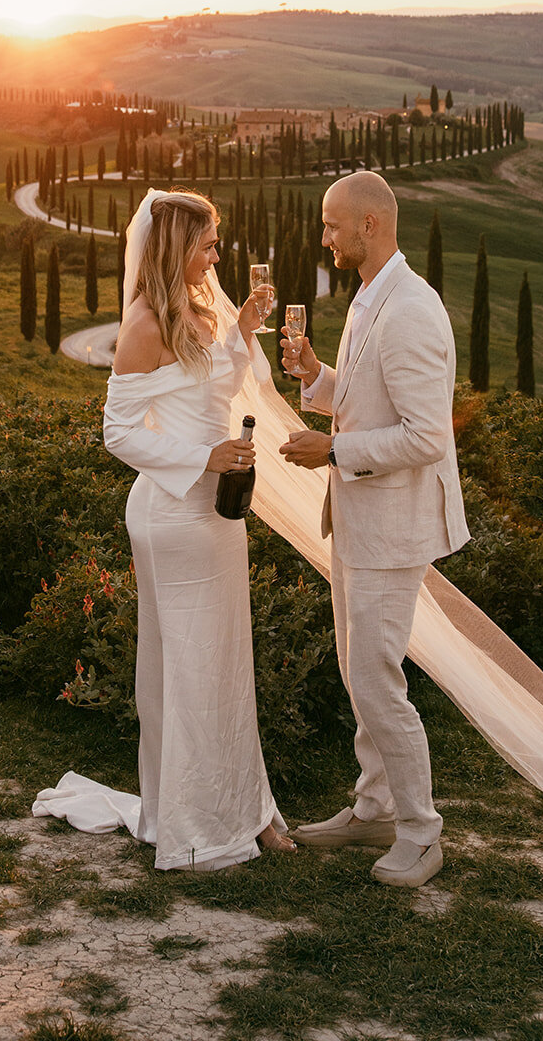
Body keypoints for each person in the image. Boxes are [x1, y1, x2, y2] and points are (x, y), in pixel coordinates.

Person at [34, 189, 294, 871]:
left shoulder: (201, 312)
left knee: (223, 663)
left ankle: (244, 805)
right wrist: (202, 457)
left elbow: (216, 388)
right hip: (172, 512)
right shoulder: (145, 323)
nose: (216, 256)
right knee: (187, 666)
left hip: (217, 510)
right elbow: (117, 432)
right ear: (177, 247)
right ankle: (194, 819)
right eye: (207, 245)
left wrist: (240, 330)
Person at [279, 171, 467, 887]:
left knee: (376, 679)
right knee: (357, 674)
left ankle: (420, 832)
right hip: (356, 519)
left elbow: (424, 437)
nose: (322, 237)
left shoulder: (412, 310)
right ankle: (372, 807)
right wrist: (314, 374)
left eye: (331, 225)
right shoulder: (368, 295)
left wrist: (332, 449)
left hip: (393, 528)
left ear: (369, 225)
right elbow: (362, 400)